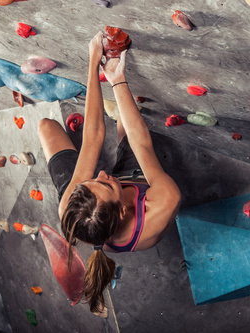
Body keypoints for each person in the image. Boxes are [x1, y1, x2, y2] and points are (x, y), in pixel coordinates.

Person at [38, 31, 181, 313]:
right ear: (123, 212)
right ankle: (120, 152)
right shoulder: (164, 203)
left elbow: (92, 136)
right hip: (141, 185)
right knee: (127, 126)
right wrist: (117, 79)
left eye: (92, 180)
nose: (102, 173)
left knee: (46, 126)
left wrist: (93, 62)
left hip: (97, 202)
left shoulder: (74, 204)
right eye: (106, 183)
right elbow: (142, 144)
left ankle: (106, 172)